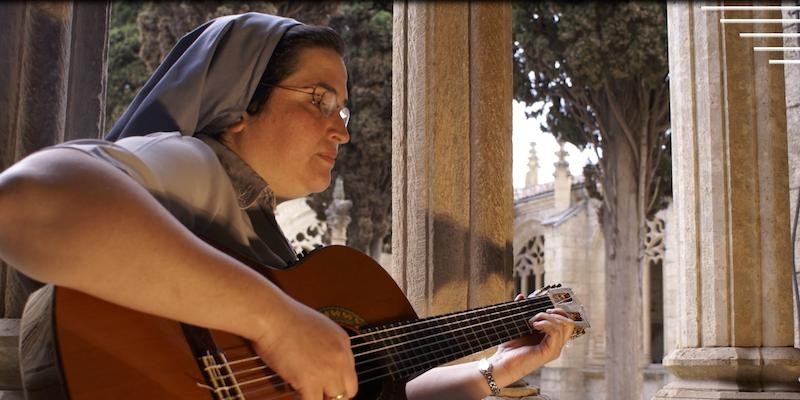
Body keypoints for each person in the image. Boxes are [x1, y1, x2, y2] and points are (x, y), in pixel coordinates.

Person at [0, 12, 575, 400]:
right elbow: (28, 202)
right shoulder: (192, 163)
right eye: (318, 100)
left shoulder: (258, 230)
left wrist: (493, 371)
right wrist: (275, 321)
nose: (341, 131)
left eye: (343, 110)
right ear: (237, 107)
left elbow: (359, 385)